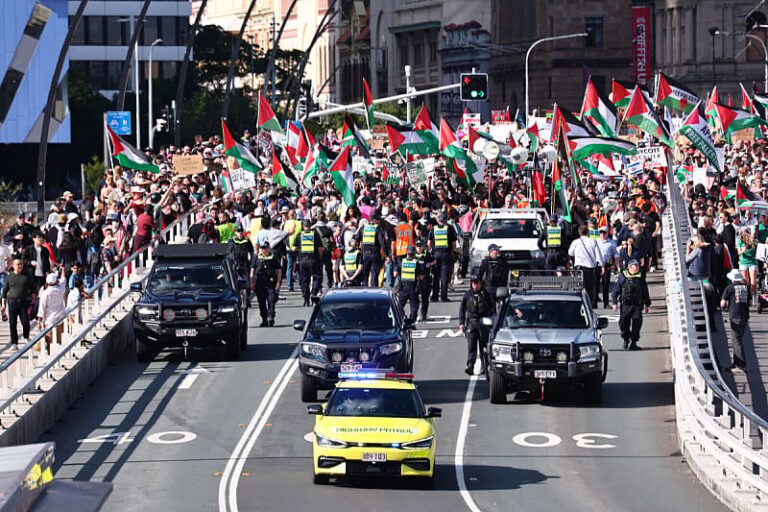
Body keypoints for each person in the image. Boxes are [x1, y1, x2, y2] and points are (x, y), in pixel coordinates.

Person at [459, 272, 496, 375]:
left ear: (481, 283)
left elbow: (493, 309)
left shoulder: (486, 295)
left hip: (484, 323)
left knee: (484, 347)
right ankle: (470, 366)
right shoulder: (467, 295)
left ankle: (485, 367)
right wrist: (461, 323)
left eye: (477, 283)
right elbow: (462, 309)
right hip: (472, 322)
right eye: (473, 283)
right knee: (471, 346)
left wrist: (492, 321)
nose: (475, 285)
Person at [611, 259, 651, 350]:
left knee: (637, 322)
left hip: (637, 305)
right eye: (635, 265)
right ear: (630, 267)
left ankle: (634, 342)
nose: (637, 267)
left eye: (638, 265)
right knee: (623, 324)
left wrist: (647, 304)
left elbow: (645, 291)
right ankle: (625, 339)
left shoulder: (640, 278)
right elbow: (615, 291)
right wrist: (614, 303)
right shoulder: (623, 277)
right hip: (626, 305)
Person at [720, 269, 752, 373]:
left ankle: (741, 365)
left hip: (735, 317)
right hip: (745, 316)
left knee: (736, 341)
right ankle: (736, 363)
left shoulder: (729, 288)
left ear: (732, 279)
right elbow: (751, 303)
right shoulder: (746, 288)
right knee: (738, 339)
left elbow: (722, 304)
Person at [1, 258, 36, 348]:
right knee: (12, 323)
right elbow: (4, 292)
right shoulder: (9, 277)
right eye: (18, 264)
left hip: (23, 301)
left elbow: (32, 289)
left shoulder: (26, 276)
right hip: (12, 302)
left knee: (25, 322)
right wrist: (3, 305)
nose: (20, 266)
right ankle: (14, 342)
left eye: (21, 264)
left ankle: (26, 337)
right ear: (13, 266)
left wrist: (33, 300)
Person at [568, 224, 603, 308]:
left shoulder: (576, 242)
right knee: (590, 288)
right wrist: (601, 265)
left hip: (579, 268)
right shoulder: (593, 241)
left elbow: (570, 253)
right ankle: (589, 305)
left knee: (579, 287)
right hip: (590, 268)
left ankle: (580, 305)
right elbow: (598, 256)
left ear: (579, 233)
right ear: (588, 232)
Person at [251, 242, 282, 326]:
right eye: (262, 248)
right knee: (261, 303)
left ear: (269, 248)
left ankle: (271, 317)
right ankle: (264, 320)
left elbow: (279, 271)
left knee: (271, 301)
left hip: (271, 284)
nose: (263, 250)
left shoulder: (273, 258)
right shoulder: (257, 258)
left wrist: (278, 283)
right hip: (260, 284)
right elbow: (252, 271)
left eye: (265, 248)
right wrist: (251, 283)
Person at [294, 219, 323, 306]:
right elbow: (320, 249)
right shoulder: (315, 235)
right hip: (313, 259)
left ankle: (306, 298)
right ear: (310, 226)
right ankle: (313, 292)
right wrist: (319, 257)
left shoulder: (299, 235)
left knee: (304, 280)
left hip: (302, 260)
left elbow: (294, 248)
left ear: (303, 226)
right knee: (317, 277)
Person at [430, 212, 457, 302]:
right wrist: (452, 252)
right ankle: (443, 296)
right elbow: (454, 244)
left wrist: (431, 252)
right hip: (446, 254)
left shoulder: (433, 229)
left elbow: (428, 243)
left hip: (435, 254)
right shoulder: (449, 228)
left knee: (436, 276)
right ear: (445, 220)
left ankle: (434, 296)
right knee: (444, 276)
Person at [37, 272, 66, 354]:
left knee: (49, 342)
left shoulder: (45, 294)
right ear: (56, 282)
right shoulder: (61, 289)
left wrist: (39, 322)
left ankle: (50, 356)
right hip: (60, 319)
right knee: (59, 341)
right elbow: (63, 279)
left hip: (49, 321)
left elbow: (41, 309)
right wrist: (62, 269)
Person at [394, 246, 423, 320]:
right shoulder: (416, 262)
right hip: (413, 287)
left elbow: (395, 274)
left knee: (399, 306)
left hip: (403, 287)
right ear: (414, 254)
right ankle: (412, 321)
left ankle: (403, 318)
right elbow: (421, 276)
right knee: (414, 306)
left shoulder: (402, 262)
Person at [359, 212, 387, 287]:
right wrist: (386, 254)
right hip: (375, 255)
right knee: (374, 275)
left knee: (365, 275)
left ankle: (364, 292)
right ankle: (373, 293)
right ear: (375, 220)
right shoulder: (377, 228)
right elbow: (382, 243)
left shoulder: (363, 228)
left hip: (364, 254)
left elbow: (356, 239)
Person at [596, 226, 619, 309]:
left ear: (607, 233)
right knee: (596, 284)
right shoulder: (596, 241)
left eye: (604, 232)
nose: (602, 234)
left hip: (606, 265)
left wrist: (616, 266)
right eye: (601, 232)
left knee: (606, 285)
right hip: (597, 265)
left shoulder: (611, 243)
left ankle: (606, 303)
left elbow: (615, 255)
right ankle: (594, 302)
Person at [414, 240, 435, 321]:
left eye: (420, 246)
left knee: (425, 299)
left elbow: (434, 261)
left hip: (426, 279)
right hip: (416, 280)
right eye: (417, 246)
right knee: (414, 299)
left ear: (423, 246)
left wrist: (430, 264)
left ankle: (423, 315)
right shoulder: (412, 255)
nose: (419, 248)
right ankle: (414, 315)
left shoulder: (427, 254)